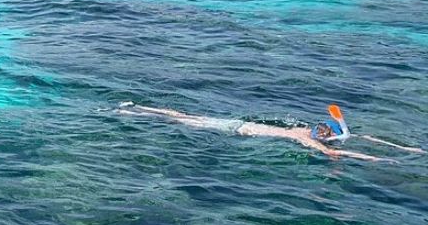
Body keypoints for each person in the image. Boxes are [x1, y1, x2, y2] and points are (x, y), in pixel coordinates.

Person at [116, 102, 423, 161]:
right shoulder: (305, 138)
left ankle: (138, 107)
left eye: (321, 130)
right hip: (237, 131)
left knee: (184, 117)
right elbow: (339, 150)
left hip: (237, 123)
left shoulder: (302, 129)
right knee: (182, 121)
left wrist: (404, 149)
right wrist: (376, 160)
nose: (317, 131)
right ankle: (136, 111)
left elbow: (357, 139)